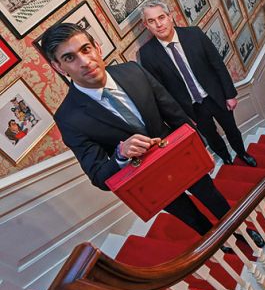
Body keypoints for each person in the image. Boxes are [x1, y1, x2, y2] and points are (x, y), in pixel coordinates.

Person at [40, 23, 230, 237]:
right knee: (192, 218)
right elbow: (99, 176)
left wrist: (199, 147)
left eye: (86, 49)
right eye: (69, 58)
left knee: (213, 196)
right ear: (58, 67)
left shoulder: (133, 70)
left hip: (180, 157)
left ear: (97, 48)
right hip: (147, 181)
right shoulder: (68, 118)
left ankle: (240, 230)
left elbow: (175, 114)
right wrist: (120, 155)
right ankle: (217, 243)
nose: (84, 62)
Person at [138, 0, 256, 167]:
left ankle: (242, 153)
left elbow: (217, 64)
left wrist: (230, 94)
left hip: (215, 96)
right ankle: (225, 158)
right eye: (151, 21)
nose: (158, 24)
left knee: (232, 130)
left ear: (170, 17)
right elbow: (161, 93)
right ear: (146, 25)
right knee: (212, 137)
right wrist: (182, 117)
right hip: (192, 109)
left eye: (161, 17)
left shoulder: (194, 34)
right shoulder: (147, 54)